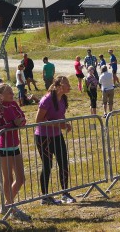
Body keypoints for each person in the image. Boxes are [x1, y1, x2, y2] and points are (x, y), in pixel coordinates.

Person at [0, 83, 31, 221]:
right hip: (4, 147)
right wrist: (13, 124)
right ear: (0, 96)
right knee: (9, 178)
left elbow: (22, 117)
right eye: (9, 92)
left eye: (12, 91)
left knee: (21, 178)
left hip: (15, 145)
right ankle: (11, 207)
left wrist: (21, 122)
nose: (12, 94)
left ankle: (7, 204)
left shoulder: (13, 104)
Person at [34, 76, 75, 205]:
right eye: (66, 83)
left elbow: (60, 115)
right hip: (43, 137)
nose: (69, 85)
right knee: (47, 165)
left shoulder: (62, 99)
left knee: (63, 162)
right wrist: (57, 124)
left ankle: (65, 193)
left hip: (57, 135)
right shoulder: (47, 99)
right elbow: (38, 120)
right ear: (58, 86)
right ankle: (45, 196)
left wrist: (65, 124)